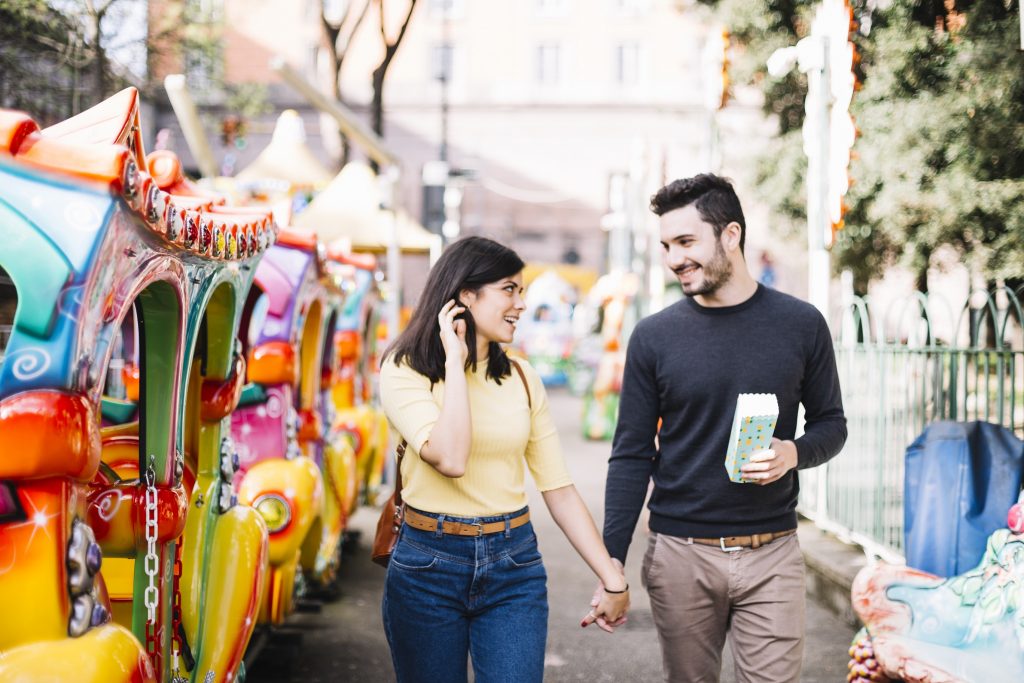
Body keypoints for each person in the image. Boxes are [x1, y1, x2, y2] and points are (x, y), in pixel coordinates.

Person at [601, 174, 847, 682]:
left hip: (773, 553)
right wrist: (611, 567)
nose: (674, 258)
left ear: (730, 235)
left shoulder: (802, 325)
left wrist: (793, 453)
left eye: (686, 242)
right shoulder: (653, 338)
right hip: (680, 556)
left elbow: (831, 424)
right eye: (667, 245)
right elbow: (630, 456)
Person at [379, 236, 629, 683]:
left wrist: (612, 576)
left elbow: (559, 488)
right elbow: (451, 458)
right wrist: (455, 363)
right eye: (509, 290)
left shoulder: (522, 377)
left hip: (513, 564)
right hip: (427, 567)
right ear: (465, 296)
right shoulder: (404, 370)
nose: (521, 303)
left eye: (522, 290)